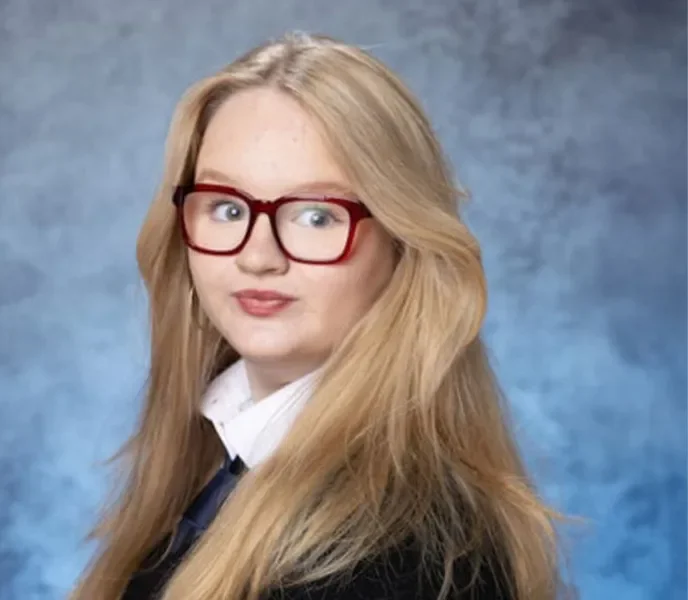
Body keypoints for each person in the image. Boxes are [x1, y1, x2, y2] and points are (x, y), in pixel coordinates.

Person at [70, 31, 564, 600]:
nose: (257, 256)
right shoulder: (221, 468)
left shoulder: (400, 561)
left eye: (316, 217)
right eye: (228, 208)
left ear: (403, 244)